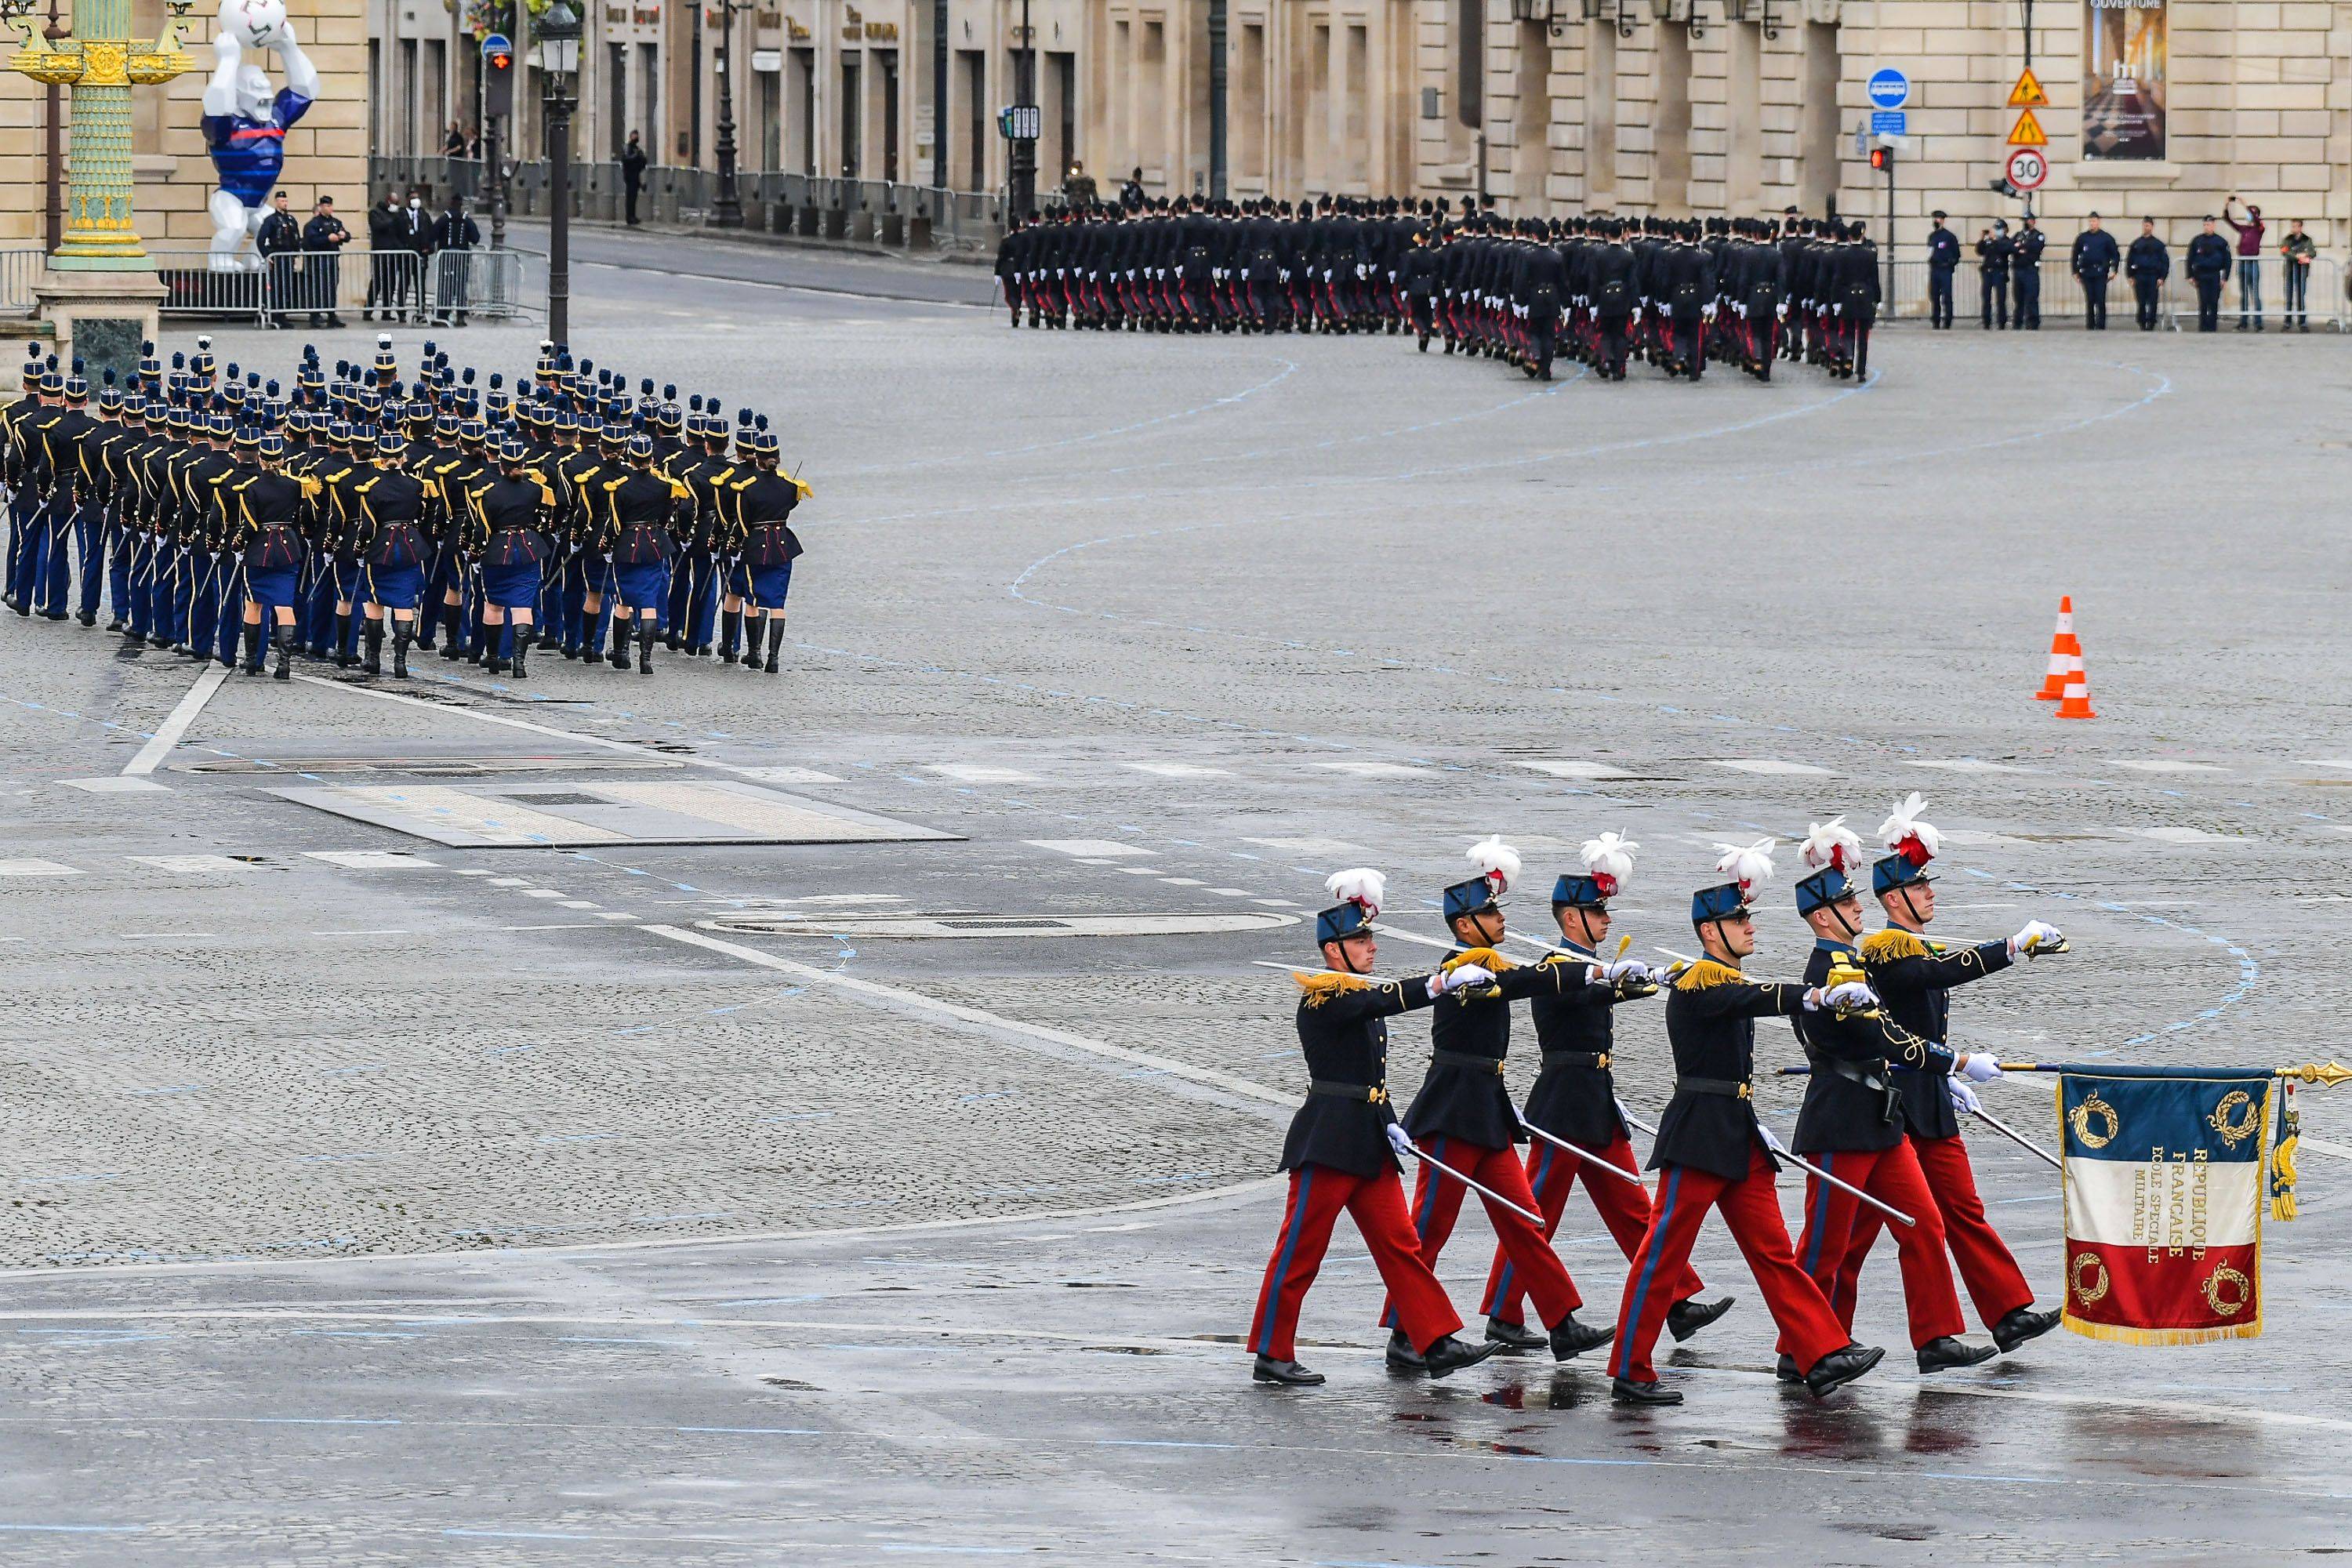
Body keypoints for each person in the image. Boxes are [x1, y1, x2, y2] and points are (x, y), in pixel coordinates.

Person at [1604, 840, 1887, 1407]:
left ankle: (1819, 1351)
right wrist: (1817, 995)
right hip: (1699, 1137)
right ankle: (1630, 1367)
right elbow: (1756, 996)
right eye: (1739, 921)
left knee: (1775, 1255)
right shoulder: (1701, 981)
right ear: (1712, 931)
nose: (1750, 928)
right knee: (1662, 1254)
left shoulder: (1717, 978)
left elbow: (1749, 995)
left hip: (1738, 1134)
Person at [1246, 869, 1508, 1386]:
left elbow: (1372, 1077)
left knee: (1402, 1249)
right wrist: (1436, 985)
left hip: (1367, 1142)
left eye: (1369, 939)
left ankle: (1433, 1341)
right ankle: (1271, 1352)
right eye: (1360, 940)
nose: (1371, 948)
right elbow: (1378, 1000)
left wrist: (1390, 1123)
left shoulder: (1357, 995)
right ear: (1333, 951)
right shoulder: (1325, 999)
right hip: (1327, 1144)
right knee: (1300, 1252)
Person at [1478, 833, 1734, 1352]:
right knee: (1535, 1216)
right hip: (1562, 1105)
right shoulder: (1556, 966)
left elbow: (1616, 984)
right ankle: (1504, 1315)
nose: (1607, 920)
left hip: (1595, 1100)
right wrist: (1617, 979)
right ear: (1571, 918)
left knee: (1634, 1207)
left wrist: (1658, 976)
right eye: (1597, 913)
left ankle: (1678, 1304)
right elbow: (1586, 986)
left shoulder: (1588, 965)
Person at [1376, 839, 1617, 1368]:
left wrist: (1610, 979)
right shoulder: (1463, 972)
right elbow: (1531, 981)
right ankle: (1404, 1331)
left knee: (1523, 1218)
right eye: (1488, 912)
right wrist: (1590, 971)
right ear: (1465, 925)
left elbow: (1523, 978)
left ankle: (1562, 1323)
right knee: (1431, 1226)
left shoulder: (1488, 966)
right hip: (1452, 1112)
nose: (1498, 919)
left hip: (1486, 1112)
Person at [1775, 819, 1997, 1383]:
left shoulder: (1850, 965)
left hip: (1881, 1118)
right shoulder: (1822, 973)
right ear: (1822, 916)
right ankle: (1799, 1345)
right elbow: (1881, 1037)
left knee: (1925, 1225)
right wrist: (1952, 1062)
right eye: (1848, 904)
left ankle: (1936, 1338)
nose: (1859, 910)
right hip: (1840, 1120)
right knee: (1825, 1245)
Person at [1850, 796, 2065, 1357]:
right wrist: (2012, 946)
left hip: (1930, 1096)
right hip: (1891, 1104)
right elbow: (1934, 974)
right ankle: (1808, 1340)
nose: (1932, 894)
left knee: (1962, 1210)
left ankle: (2008, 1313)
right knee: (1858, 1237)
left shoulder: (1911, 945)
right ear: (1894, 899)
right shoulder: (1885, 950)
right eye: (1921, 888)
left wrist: (1946, 1077)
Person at [427, 192, 480, 327]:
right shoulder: (466, 220)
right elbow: (475, 238)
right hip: (462, 258)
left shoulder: (444, 219)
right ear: (461, 205)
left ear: (451, 203)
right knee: (460, 286)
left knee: (445, 286)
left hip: (445, 258)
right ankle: (461, 316)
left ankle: (443, 314)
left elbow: (432, 235)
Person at [255, 189, 303, 328]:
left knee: (287, 287)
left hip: (288, 257)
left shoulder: (291, 220)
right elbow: (261, 240)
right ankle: (276, 315)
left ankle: (283, 315)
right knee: (278, 287)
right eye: (282, 201)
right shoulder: (271, 220)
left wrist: (296, 254)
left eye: (286, 201)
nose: (285, 203)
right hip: (277, 257)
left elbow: (295, 238)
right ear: (276, 202)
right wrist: (267, 256)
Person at [301, 194, 350, 329]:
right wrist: (327, 238)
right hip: (318, 261)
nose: (329, 208)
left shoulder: (336, 222)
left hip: (332, 260)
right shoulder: (314, 224)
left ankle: (331, 315)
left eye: (330, 205)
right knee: (317, 288)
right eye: (327, 206)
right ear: (321, 207)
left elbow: (347, 235)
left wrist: (344, 236)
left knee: (332, 287)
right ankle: (315, 316)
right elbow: (311, 240)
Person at [2070, 212, 2119, 328]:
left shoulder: (2106, 238)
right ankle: (2090, 324)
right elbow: (2075, 255)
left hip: (2101, 273)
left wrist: (2114, 270)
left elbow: (2115, 255)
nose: (2093, 224)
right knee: (2090, 299)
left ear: (2099, 222)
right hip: (2086, 273)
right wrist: (2075, 271)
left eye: (2095, 221)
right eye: (2091, 221)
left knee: (2100, 299)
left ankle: (2101, 324)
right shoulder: (2082, 238)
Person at [2223, 196, 2266, 329]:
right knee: (2244, 294)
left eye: (2251, 213)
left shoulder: (2259, 229)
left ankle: (2258, 323)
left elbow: (2257, 220)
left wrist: (2244, 204)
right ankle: (2243, 322)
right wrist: (2227, 205)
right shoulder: (2244, 229)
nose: (2249, 215)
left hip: (2252, 262)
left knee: (2255, 294)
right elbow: (2228, 220)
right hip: (2243, 262)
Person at [2186, 216, 2232, 332]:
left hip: (2214, 274)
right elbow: (2190, 258)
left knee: (2214, 302)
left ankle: (2212, 327)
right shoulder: (2197, 241)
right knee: (2203, 301)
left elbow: (2227, 260)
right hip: (2201, 274)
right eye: (2205, 225)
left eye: (2209, 224)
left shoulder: (2221, 241)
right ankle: (2203, 327)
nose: (2207, 227)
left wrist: (2225, 278)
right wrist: (2190, 275)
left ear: (2214, 225)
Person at [365, 191, 405, 321]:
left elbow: (398, 233)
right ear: (388, 201)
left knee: (391, 283)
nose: (396, 205)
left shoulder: (394, 214)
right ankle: (368, 311)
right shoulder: (375, 213)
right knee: (377, 282)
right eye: (394, 203)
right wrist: (393, 219)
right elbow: (378, 227)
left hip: (393, 253)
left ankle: (386, 312)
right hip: (380, 252)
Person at [2125, 217, 2170, 330]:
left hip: (2153, 276)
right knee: (2141, 301)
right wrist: (2130, 276)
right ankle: (2142, 322)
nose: (2146, 228)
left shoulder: (2158, 244)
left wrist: (2162, 277)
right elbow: (2129, 260)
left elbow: (2164, 262)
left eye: (2148, 225)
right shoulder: (2136, 244)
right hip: (2139, 275)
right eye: (2145, 225)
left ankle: (2151, 323)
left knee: (2152, 301)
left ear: (2152, 227)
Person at [1923, 210, 1959, 329]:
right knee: (1934, 296)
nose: (1936, 221)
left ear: (1943, 220)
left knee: (1946, 296)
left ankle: (1948, 320)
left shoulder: (1949, 236)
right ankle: (1936, 320)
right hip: (1935, 269)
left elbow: (1956, 254)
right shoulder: (1932, 236)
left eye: (1938, 218)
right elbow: (1929, 251)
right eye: (1935, 218)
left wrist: (1951, 263)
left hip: (1945, 269)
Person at [1974, 219, 2013, 329]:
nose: (1996, 231)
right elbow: (1980, 251)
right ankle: (1986, 320)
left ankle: (2001, 322)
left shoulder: (2006, 241)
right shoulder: (1989, 241)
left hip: (1999, 272)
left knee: (2000, 299)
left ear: (2005, 230)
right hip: (1988, 272)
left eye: (1999, 229)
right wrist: (1982, 238)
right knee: (1986, 297)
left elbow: (2005, 249)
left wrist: (1995, 240)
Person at [2280, 218, 2316, 331]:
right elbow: (2284, 250)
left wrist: (2305, 255)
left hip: (2302, 271)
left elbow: (2313, 252)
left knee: (2301, 296)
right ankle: (2287, 322)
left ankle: (2302, 322)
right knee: (2289, 296)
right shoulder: (2287, 239)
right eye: (2292, 226)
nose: (2293, 228)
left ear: (2300, 227)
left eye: (2296, 226)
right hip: (2290, 270)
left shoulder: (2307, 239)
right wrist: (2296, 256)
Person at [2010, 214, 2044, 329]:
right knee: (2018, 298)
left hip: (2030, 270)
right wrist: (2019, 248)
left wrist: (2022, 246)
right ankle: (2017, 323)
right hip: (2018, 270)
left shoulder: (2038, 235)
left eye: (2027, 220)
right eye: (2024, 220)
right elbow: (2011, 247)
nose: (2025, 222)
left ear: (2033, 221)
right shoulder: (2018, 235)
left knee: (2032, 297)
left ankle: (2033, 322)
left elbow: (2037, 246)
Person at [621, 130, 648, 226]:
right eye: (635, 135)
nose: (636, 137)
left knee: (634, 198)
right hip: (630, 176)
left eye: (637, 135)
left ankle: (633, 216)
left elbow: (642, 163)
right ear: (631, 136)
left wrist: (642, 158)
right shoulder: (627, 147)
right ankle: (629, 217)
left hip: (636, 176)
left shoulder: (637, 149)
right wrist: (636, 157)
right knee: (630, 198)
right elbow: (626, 159)